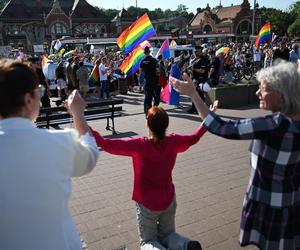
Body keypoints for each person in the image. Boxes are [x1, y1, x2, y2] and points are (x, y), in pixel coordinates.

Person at [170, 60, 300, 250]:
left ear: (280, 95)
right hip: (292, 204)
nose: (257, 93)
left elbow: (220, 126)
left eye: (263, 89)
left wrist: (193, 95)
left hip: (269, 205)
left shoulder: (273, 125)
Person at [0, 59, 99, 250]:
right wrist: (78, 114)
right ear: (28, 100)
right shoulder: (60, 142)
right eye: (39, 92)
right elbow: (90, 157)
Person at [91, 104, 217, 250]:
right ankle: (186, 245)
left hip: (146, 202)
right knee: (168, 235)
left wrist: (82, 122)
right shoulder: (174, 141)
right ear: (166, 125)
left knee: (147, 240)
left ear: (147, 124)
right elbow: (194, 138)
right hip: (168, 198)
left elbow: (106, 144)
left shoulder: (139, 145)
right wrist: (209, 117)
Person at [140, 46, 160, 115]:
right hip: (154, 80)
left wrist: (146, 74)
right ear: (149, 52)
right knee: (156, 96)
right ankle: (154, 109)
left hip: (147, 80)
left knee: (147, 97)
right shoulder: (154, 60)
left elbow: (141, 71)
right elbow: (158, 71)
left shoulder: (142, 61)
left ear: (144, 53)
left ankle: (147, 112)